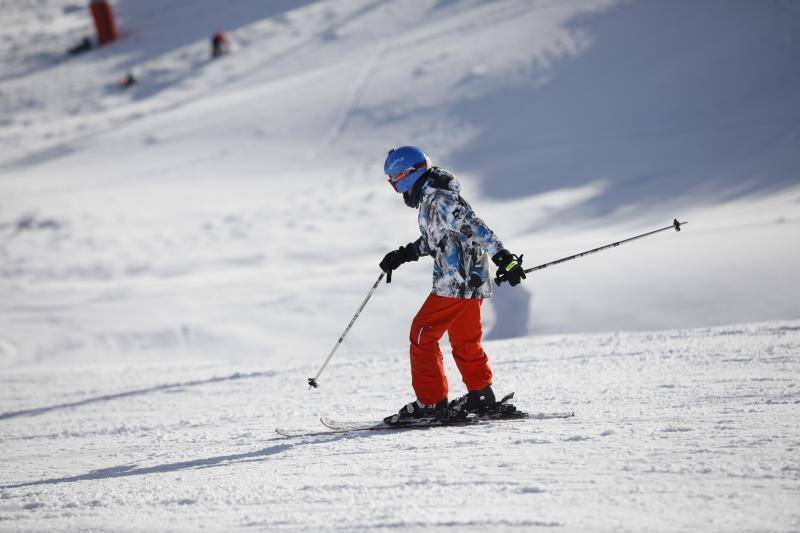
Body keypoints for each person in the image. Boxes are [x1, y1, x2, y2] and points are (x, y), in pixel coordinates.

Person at [380, 146, 526, 425]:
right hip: (470, 280)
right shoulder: (434, 196)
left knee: (422, 333)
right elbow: (437, 239)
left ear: (405, 175)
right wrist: (404, 254)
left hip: (455, 281)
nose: (395, 189)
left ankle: (431, 403)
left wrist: (502, 255)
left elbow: (473, 226)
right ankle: (481, 394)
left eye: (393, 182)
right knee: (464, 339)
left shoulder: (437, 198)